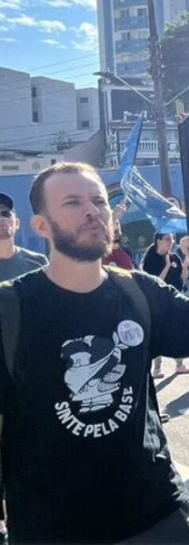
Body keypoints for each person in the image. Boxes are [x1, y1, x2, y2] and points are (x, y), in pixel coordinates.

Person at [0, 162, 189, 544]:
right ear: (41, 225)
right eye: (73, 202)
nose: (92, 210)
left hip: (159, 517)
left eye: (98, 200)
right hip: (52, 529)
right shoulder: (10, 309)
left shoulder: (141, 293)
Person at [0, 192, 47, 543]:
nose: (0, 219)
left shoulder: (37, 264)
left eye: (5, 213)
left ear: (16, 223)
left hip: (35, 379)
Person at [142, 233, 189, 378]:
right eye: (167, 239)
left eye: (172, 239)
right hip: (158, 302)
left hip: (175, 300)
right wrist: (167, 266)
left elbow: (182, 279)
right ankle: (157, 369)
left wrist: (185, 267)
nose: (171, 242)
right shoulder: (151, 259)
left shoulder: (175, 257)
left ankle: (179, 364)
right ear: (158, 240)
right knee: (159, 333)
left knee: (177, 330)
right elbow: (155, 282)